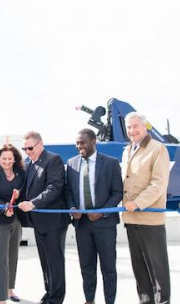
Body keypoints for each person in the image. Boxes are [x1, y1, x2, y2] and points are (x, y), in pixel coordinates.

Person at [65, 129, 123, 304]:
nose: (79, 146)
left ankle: (109, 301)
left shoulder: (111, 163)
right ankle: (89, 300)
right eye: (77, 143)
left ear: (93, 141)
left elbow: (117, 192)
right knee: (86, 267)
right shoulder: (72, 163)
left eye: (82, 143)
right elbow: (68, 191)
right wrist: (72, 207)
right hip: (82, 224)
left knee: (108, 268)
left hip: (105, 224)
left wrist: (102, 211)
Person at [122, 112, 171, 304]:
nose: (132, 130)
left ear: (145, 127)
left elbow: (158, 183)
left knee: (157, 270)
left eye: (136, 126)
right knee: (140, 270)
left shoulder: (157, 149)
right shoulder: (126, 150)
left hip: (150, 219)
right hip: (130, 219)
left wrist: (138, 203)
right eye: (129, 127)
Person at [17, 131, 70, 304]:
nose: (27, 151)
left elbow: (54, 188)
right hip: (38, 222)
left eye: (30, 147)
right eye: (24, 148)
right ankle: (49, 292)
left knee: (55, 262)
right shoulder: (30, 163)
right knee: (45, 262)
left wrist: (33, 203)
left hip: (53, 222)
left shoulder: (52, 160)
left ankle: (56, 298)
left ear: (40, 144)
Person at [0, 144, 25, 304]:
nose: (7, 162)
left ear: (14, 159)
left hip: (16, 219)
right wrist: (4, 208)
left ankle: (9, 289)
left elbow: (25, 189)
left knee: (13, 256)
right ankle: (0, 297)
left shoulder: (20, 172)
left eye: (10, 158)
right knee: (0, 258)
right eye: (4, 159)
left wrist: (20, 193)